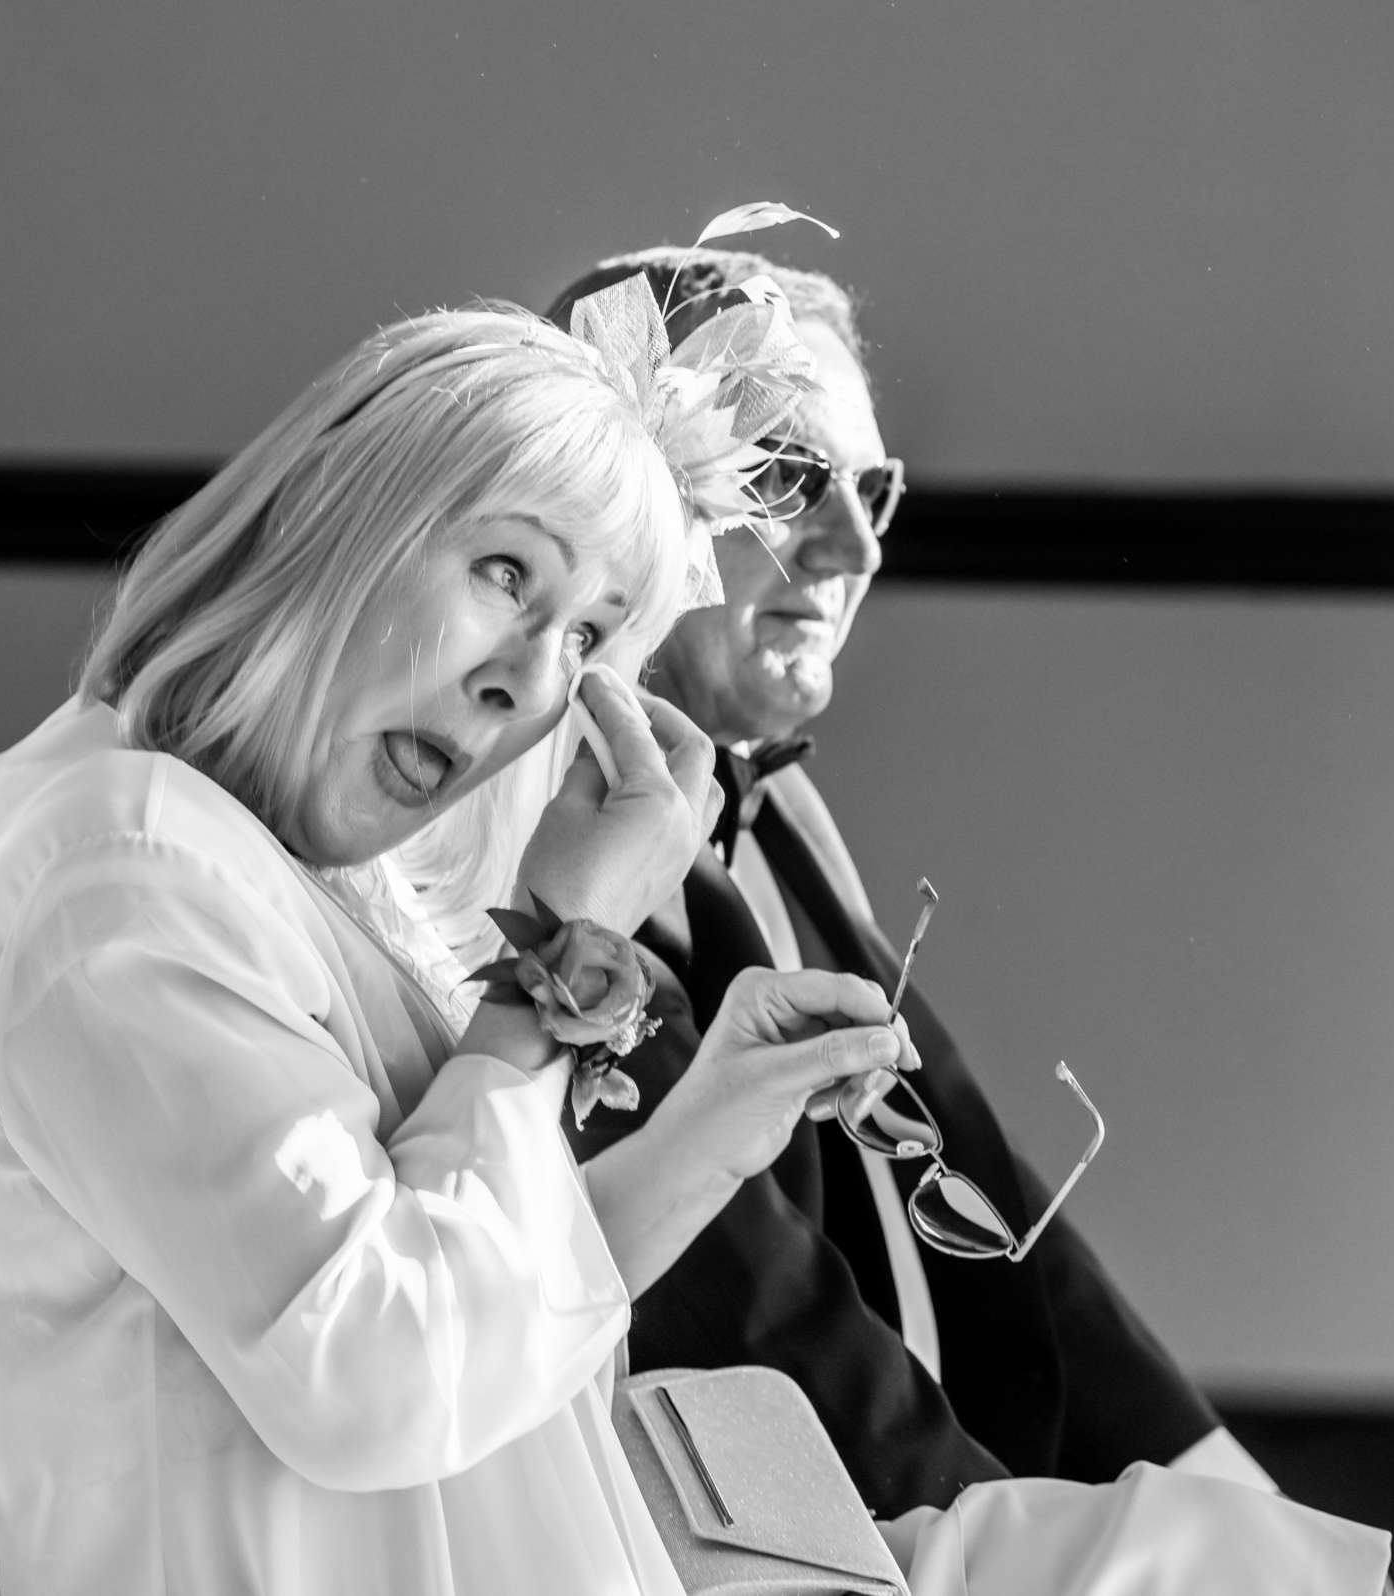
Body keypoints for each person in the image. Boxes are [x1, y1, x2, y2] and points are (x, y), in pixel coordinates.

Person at [0, 275, 1389, 1594]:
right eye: (505, 574)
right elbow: (376, 1375)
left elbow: (483, 1303)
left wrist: (716, 1126)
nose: (523, 686)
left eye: (587, 637)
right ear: (340, 519)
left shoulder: (283, 874)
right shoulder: (115, 874)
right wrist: (560, 955)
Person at [547, 247, 1280, 1511]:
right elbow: (753, 1305)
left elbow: (983, 1181)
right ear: (617, 498)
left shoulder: (776, 809)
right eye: (784, 477)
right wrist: (1023, 1554)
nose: (852, 545)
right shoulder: (559, 857)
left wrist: (1245, 1511)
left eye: (873, 488)